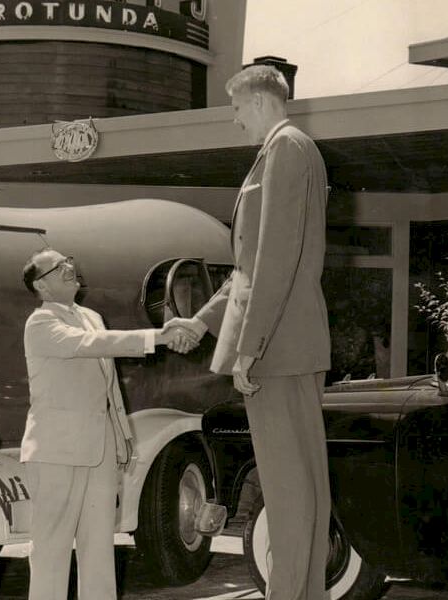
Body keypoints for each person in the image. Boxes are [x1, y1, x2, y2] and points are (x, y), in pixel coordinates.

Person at [167, 64, 331, 600]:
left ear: (258, 102)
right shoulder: (291, 149)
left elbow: (274, 261)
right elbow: (249, 269)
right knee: (301, 487)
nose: (236, 122)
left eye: (237, 110)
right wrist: (204, 320)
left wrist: (250, 347)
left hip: (277, 348)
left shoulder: (285, 150)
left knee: (289, 490)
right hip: (290, 343)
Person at [20, 247, 192, 600]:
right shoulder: (40, 323)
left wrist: (122, 436)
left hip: (99, 449)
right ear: (43, 286)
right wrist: (157, 336)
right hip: (57, 452)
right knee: (51, 550)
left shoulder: (91, 316)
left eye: (68, 261)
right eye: (59, 266)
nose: (70, 267)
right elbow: (90, 345)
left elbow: (110, 387)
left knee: (99, 548)